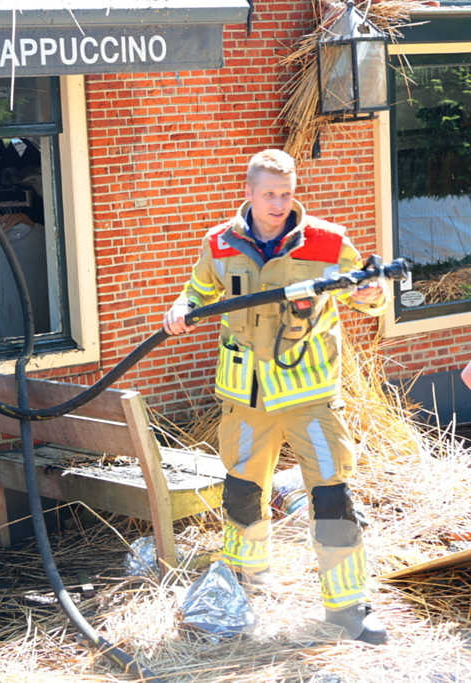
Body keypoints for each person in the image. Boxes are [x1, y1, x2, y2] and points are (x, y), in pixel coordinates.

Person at [163, 149, 391, 644]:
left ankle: (348, 607)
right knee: (243, 490)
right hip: (246, 396)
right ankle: (248, 583)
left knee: (333, 496)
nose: (279, 203)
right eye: (269, 194)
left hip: (310, 395)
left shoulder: (328, 241)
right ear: (248, 192)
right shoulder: (220, 244)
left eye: (287, 193)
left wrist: (373, 294)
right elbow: (198, 291)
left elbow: (367, 297)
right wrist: (182, 306)